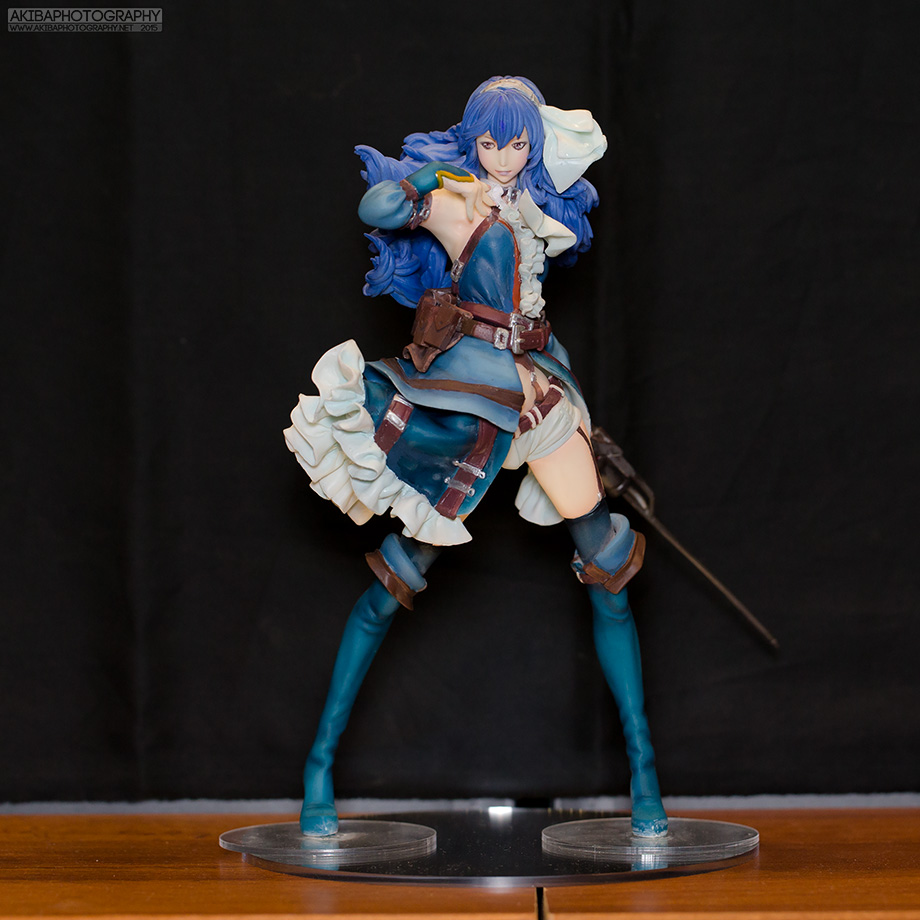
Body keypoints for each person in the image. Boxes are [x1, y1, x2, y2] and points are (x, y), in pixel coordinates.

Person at [284, 76, 668, 838]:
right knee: (397, 576)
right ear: (474, 141)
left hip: (541, 394)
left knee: (607, 567)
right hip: (470, 403)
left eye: (515, 142)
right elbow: (376, 209)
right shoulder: (459, 201)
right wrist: (430, 179)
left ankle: (646, 777)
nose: (502, 155)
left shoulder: (538, 205)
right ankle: (318, 768)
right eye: (489, 142)